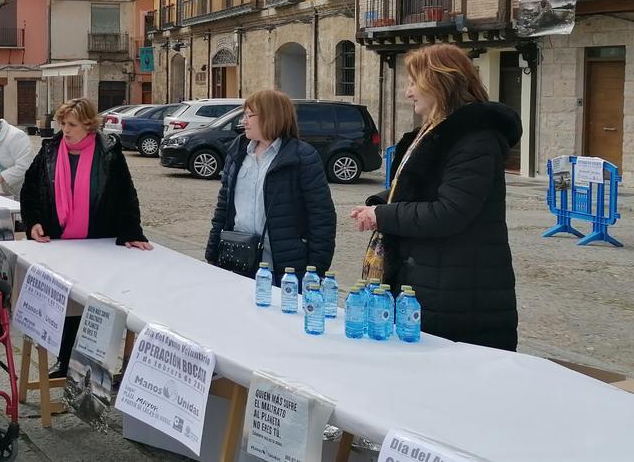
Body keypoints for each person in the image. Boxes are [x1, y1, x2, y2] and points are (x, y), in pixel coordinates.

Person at [350, 43, 520, 351]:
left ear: (439, 83)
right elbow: (418, 187)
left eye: (414, 82)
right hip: (431, 279)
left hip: (457, 290)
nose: (408, 92)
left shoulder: (475, 140)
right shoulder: (436, 131)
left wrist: (383, 216)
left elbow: (450, 211)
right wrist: (377, 205)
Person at [20, 98, 152, 376]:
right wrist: (33, 223)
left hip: (98, 241)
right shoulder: (49, 150)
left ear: (88, 125)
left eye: (72, 125)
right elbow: (30, 189)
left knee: (94, 307)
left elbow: (125, 195)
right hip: (58, 242)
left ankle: (92, 366)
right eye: (63, 124)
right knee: (65, 306)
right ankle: (65, 361)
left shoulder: (109, 152)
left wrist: (132, 232)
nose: (65, 130)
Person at [204, 90, 336, 284]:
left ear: (270, 117)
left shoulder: (302, 157)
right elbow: (223, 208)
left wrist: (316, 269)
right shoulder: (238, 151)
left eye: (250, 115)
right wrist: (212, 253)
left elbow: (321, 217)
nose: (244, 121)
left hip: (282, 265)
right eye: (244, 115)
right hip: (237, 257)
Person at [0, 113, 36, 197]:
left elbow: (25, 165)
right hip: (10, 191)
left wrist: (2, 176)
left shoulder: (16, 137)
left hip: (26, 189)